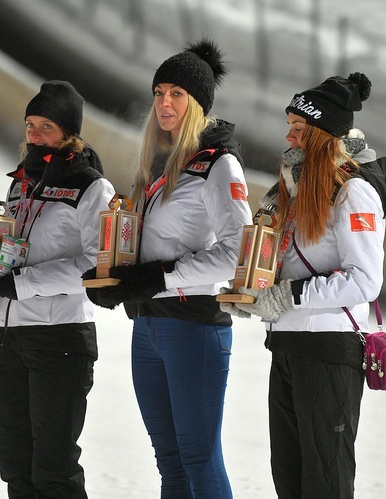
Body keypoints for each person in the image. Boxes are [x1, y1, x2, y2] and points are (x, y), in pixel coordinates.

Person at [84, 39, 252, 498]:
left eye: (177, 93)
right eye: (159, 92)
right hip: (150, 327)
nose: (164, 102)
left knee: (199, 458)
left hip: (193, 328)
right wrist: (116, 280)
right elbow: (144, 247)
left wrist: (158, 276)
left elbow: (239, 252)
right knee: (171, 463)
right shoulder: (157, 167)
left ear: (197, 103)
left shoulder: (220, 166)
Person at [222, 72, 386, 498]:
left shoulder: (352, 193)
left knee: (325, 483)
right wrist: (253, 295)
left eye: (299, 129)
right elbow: (287, 265)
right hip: (287, 349)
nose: (288, 137)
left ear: (321, 135)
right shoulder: (293, 194)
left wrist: (286, 297)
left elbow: (365, 280)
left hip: (329, 353)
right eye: (289, 126)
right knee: (290, 481)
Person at [0, 80, 115, 499]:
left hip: (59, 339)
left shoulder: (92, 187)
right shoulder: (21, 184)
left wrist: (22, 284)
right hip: (8, 337)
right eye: (30, 124)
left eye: (45, 125)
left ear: (69, 134)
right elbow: (10, 250)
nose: (33, 133)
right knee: (15, 464)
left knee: (53, 469)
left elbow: (94, 263)